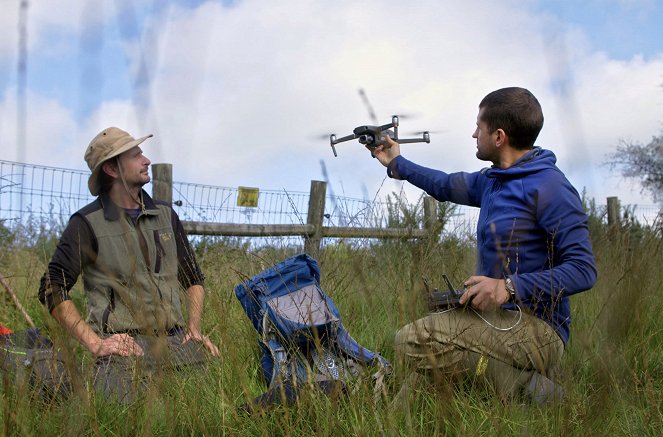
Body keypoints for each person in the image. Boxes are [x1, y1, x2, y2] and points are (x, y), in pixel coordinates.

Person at [372, 87, 597, 403]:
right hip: (495, 320)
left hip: (539, 331)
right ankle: (513, 383)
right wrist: (396, 163)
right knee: (418, 377)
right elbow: (446, 184)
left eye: (480, 126)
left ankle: (534, 390)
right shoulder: (493, 181)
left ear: (499, 137)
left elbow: (583, 270)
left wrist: (509, 287)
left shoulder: (551, 188)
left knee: (410, 341)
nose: (474, 133)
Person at [38, 127, 220, 403]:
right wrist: (96, 343)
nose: (146, 160)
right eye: (136, 155)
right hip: (124, 348)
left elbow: (193, 277)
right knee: (125, 421)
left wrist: (193, 327)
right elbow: (52, 287)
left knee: (208, 412)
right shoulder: (86, 223)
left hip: (177, 340)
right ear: (112, 169)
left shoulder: (165, 216)